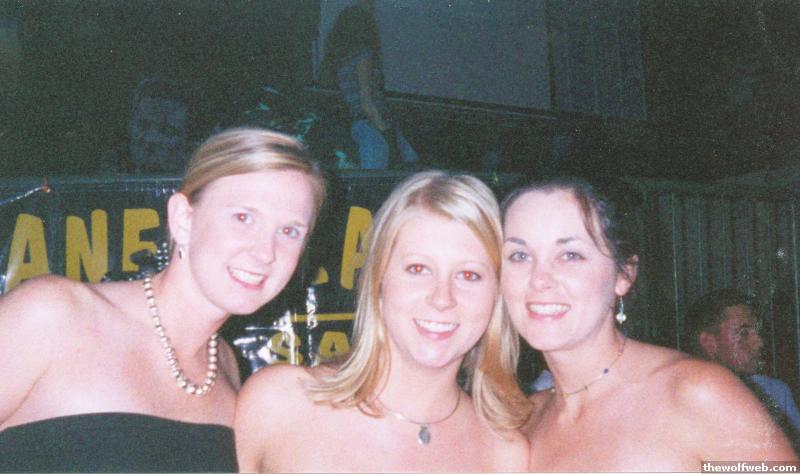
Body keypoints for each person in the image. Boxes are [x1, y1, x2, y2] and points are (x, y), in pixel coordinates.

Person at [0, 128, 326, 472]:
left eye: (289, 231)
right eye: (243, 217)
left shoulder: (225, 368)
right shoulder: (53, 316)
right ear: (183, 219)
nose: (265, 252)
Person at [235, 171, 530, 472]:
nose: (442, 298)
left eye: (469, 275)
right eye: (418, 269)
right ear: (378, 279)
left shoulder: (505, 456)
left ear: (497, 294)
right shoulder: (279, 403)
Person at [500, 176, 797, 471]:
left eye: (570, 255)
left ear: (623, 274)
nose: (539, 279)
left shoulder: (693, 394)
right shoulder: (525, 424)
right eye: (519, 255)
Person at [686, 288, 800, 442]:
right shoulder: (686, 400)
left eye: (757, 332)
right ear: (709, 342)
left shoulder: (776, 392)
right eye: (743, 333)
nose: (759, 342)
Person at [321, 0, 419, 170]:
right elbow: (367, 103)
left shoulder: (342, 60)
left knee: (388, 173)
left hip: (362, 124)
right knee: (394, 174)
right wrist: (387, 134)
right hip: (373, 125)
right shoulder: (363, 56)